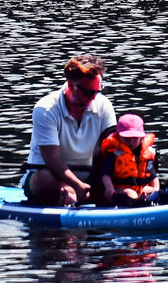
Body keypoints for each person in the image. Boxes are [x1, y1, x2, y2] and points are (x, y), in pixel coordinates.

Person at [25, 54, 116, 206]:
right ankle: (69, 193)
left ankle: (78, 195)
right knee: (43, 179)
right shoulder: (46, 109)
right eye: (87, 93)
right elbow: (52, 158)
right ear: (71, 85)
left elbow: (112, 150)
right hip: (50, 176)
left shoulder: (104, 106)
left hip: (91, 177)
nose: (93, 98)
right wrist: (76, 185)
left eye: (97, 92)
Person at [95, 113, 159, 207]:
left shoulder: (147, 154)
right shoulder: (114, 154)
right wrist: (109, 189)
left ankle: (143, 202)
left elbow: (153, 175)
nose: (131, 141)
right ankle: (135, 204)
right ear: (118, 136)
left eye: (135, 138)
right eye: (127, 138)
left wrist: (156, 189)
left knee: (151, 191)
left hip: (142, 190)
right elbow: (106, 174)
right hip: (121, 190)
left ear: (141, 138)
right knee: (131, 194)